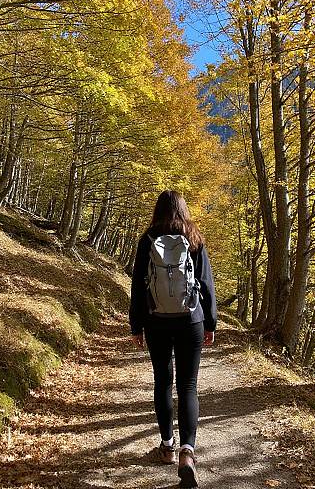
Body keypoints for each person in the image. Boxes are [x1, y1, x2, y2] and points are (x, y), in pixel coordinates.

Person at [128, 190, 217, 488]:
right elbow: (205, 283)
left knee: (163, 382)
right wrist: (210, 322)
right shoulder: (194, 237)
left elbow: (139, 284)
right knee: (188, 385)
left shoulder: (148, 238)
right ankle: (187, 454)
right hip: (191, 319)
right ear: (184, 209)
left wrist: (136, 325)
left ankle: (167, 445)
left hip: (156, 320)